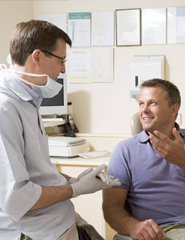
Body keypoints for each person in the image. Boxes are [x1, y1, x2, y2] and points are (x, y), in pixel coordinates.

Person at [0, 20, 119, 240]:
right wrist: (75, 189)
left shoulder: (28, 100)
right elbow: (17, 198)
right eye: (61, 60)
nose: (63, 69)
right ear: (37, 57)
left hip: (60, 218)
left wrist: (70, 180)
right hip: (38, 232)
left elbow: (35, 172)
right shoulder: (5, 109)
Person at [103, 79, 185, 240]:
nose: (144, 110)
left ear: (173, 109)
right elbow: (111, 206)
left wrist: (182, 159)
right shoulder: (124, 150)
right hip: (161, 232)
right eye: (141, 104)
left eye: (152, 104)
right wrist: (133, 227)